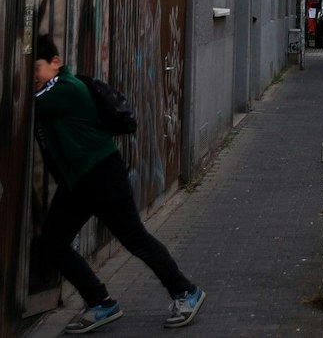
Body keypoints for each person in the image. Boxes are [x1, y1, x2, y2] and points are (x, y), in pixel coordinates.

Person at [32, 35, 205, 332]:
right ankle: (101, 302)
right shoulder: (52, 90)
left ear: (55, 63)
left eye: (35, 68)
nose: (32, 77)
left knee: (135, 239)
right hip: (78, 183)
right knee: (53, 243)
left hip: (102, 176)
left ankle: (186, 292)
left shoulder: (65, 89)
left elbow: (29, 104)